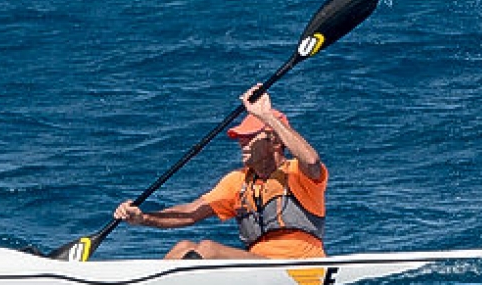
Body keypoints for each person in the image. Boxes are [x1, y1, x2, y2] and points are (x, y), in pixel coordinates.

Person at [113, 84, 327, 260]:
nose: (242, 143)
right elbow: (190, 213)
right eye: (240, 138)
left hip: (299, 263)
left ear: (275, 142)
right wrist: (143, 217)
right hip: (259, 265)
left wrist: (267, 116)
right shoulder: (238, 181)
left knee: (207, 248)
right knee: (183, 247)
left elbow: (312, 160)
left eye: (249, 137)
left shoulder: (298, 173)